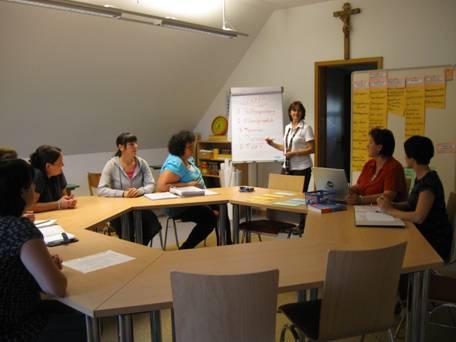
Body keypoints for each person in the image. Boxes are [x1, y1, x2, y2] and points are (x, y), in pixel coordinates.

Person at [0, 159, 85, 341]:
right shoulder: (20, 229)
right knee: (84, 321)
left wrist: (42, 264)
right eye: (32, 184)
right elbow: (56, 288)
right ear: (22, 191)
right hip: (15, 326)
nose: (34, 188)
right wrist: (51, 268)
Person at [377, 136, 453, 261]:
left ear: (412, 158)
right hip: (422, 233)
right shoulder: (421, 177)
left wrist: (390, 211)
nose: (405, 157)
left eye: (406, 154)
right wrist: (391, 204)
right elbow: (410, 204)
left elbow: (418, 217)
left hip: (432, 241)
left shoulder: (429, 183)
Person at [157, 130, 231, 249]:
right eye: (189, 147)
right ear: (180, 148)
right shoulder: (175, 164)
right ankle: (186, 248)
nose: (192, 149)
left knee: (222, 205)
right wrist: (187, 184)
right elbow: (161, 186)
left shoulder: (187, 158)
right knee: (209, 218)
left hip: (197, 198)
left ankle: (226, 243)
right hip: (180, 206)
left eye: (192, 145)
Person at [98, 132, 162, 246]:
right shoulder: (111, 164)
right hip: (119, 210)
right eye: (131, 144)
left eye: (136, 144)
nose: (136, 146)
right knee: (127, 229)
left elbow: (151, 184)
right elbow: (101, 189)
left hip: (139, 207)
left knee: (153, 225)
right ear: (121, 147)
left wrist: (140, 191)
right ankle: (133, 250)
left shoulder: (142, 163)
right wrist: (123, 194)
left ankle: (139, 248)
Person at [346, 128, 407, 205]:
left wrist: (361, 200)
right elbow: (359, 186)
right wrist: (347, 190)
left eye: (371, 142)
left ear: (379, 147)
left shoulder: (394, 167)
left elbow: (388, 196)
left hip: (386, 213)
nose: (367, 146)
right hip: (366, 210)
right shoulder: (369, 164)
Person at [265, 101, 315, 192]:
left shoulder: (306, 128)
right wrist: (272, 144)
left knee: (298, 198)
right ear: (290, 112)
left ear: (302, 113)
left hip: (302, 168)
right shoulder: (287, 127)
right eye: (294, 110)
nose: (296, 113)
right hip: (287, 167)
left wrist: (295, 153)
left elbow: (312, 149)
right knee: (283, 195)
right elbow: (286, 148)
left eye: (299, 111)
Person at [29, 145, 77, 212]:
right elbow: (30, 206)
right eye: (60, 163)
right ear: (48, 166)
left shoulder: (58, 173)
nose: (63, 165)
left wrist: (67, 200)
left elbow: (63, 195)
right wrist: (58, 204)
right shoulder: (37, 175)